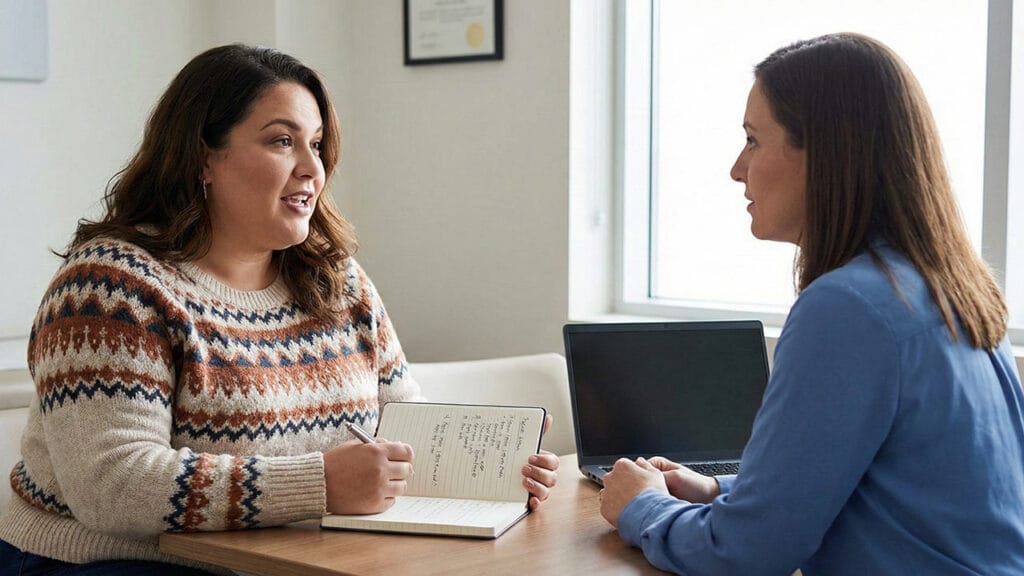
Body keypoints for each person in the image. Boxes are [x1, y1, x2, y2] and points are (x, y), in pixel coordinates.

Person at [0, 44, 559, 574]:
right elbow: (113, 486)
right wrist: (318, 484)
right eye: (280, 141)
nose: (311, 169)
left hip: (304, 559)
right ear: (203, 158)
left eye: (316, 144)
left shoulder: (337, 280)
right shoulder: (108, 290)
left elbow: (402, 432)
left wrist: (489, 471)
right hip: (108, 562)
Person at [599, 32, 1024, 575]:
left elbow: (744, 555)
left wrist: (642, 505)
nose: (736, 168)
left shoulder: (848, 308)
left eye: (753, 140)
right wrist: (719, 490)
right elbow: (890, 486)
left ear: (825, 153)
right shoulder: (952, 289)